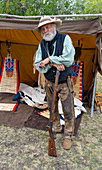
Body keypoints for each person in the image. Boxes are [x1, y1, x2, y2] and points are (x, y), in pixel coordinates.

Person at [34, 16, 75, 150]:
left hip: (64, 82)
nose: (46, 30)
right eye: (43, 29)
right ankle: (56, 127)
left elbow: (68, 60)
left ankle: (68, 134)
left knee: (68, 109)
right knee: (52, 108)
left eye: (48, 27)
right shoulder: (42, 44)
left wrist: (49, 59)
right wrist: (53, 63)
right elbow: (38, 64)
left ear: (54, 27)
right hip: (50, 83)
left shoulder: (65, 39)